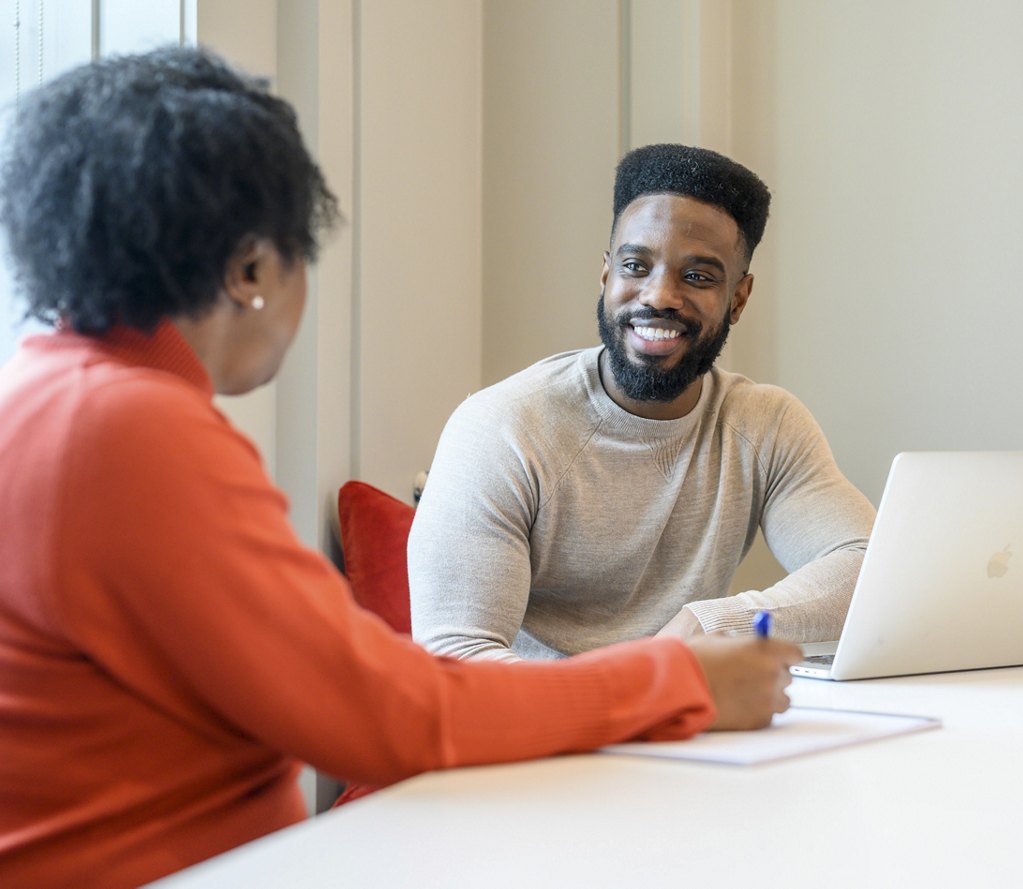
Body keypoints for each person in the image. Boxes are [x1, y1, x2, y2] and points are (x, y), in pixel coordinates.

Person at [0, 49, 800, 889]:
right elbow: (388, 714)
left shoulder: (58, 400)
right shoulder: (132, 431)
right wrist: (674, 679)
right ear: (250, 270)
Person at [411, 143, 875, 662]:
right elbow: (455, 657)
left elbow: (866, 563)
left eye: (698, 276)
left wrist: (714, 622)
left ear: (738, 299)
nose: (659, 296)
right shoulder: (502, 428)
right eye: (637, 265)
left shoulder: (764, 426)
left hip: (690, 726)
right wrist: (643, 686)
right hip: (541, 730)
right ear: (606, 274)